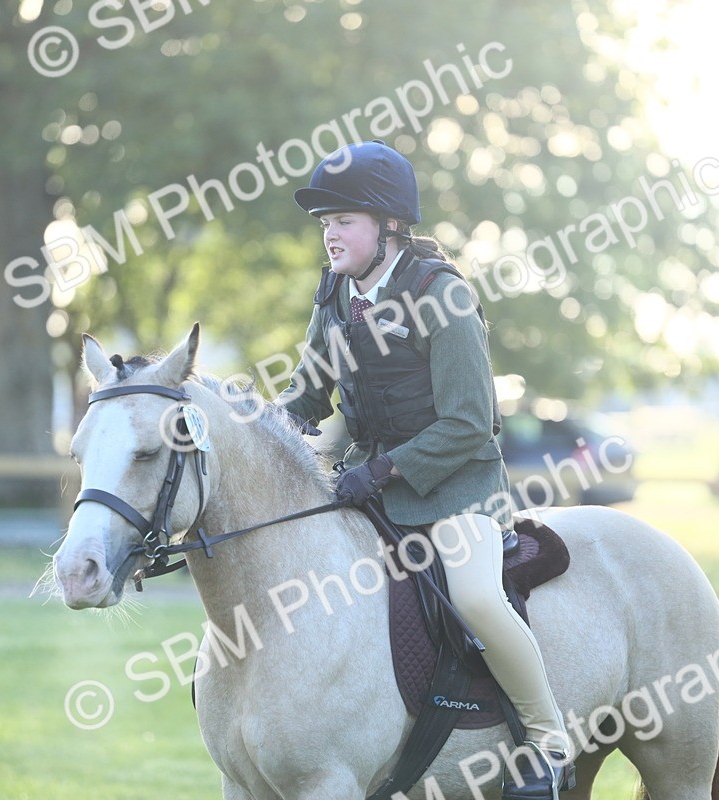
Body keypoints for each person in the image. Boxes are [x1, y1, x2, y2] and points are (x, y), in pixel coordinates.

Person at [277, 140, 573, 799]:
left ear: (389, 226)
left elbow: (470, 423)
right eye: (325, 223)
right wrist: (252, 429)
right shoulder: (335, 296)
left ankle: (549, 744)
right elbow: (305, 396)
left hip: (458, 487)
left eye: (343, 221)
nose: (330, 235)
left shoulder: (443, 296)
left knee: (475, 598)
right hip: (368, 481)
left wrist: (384, 470)